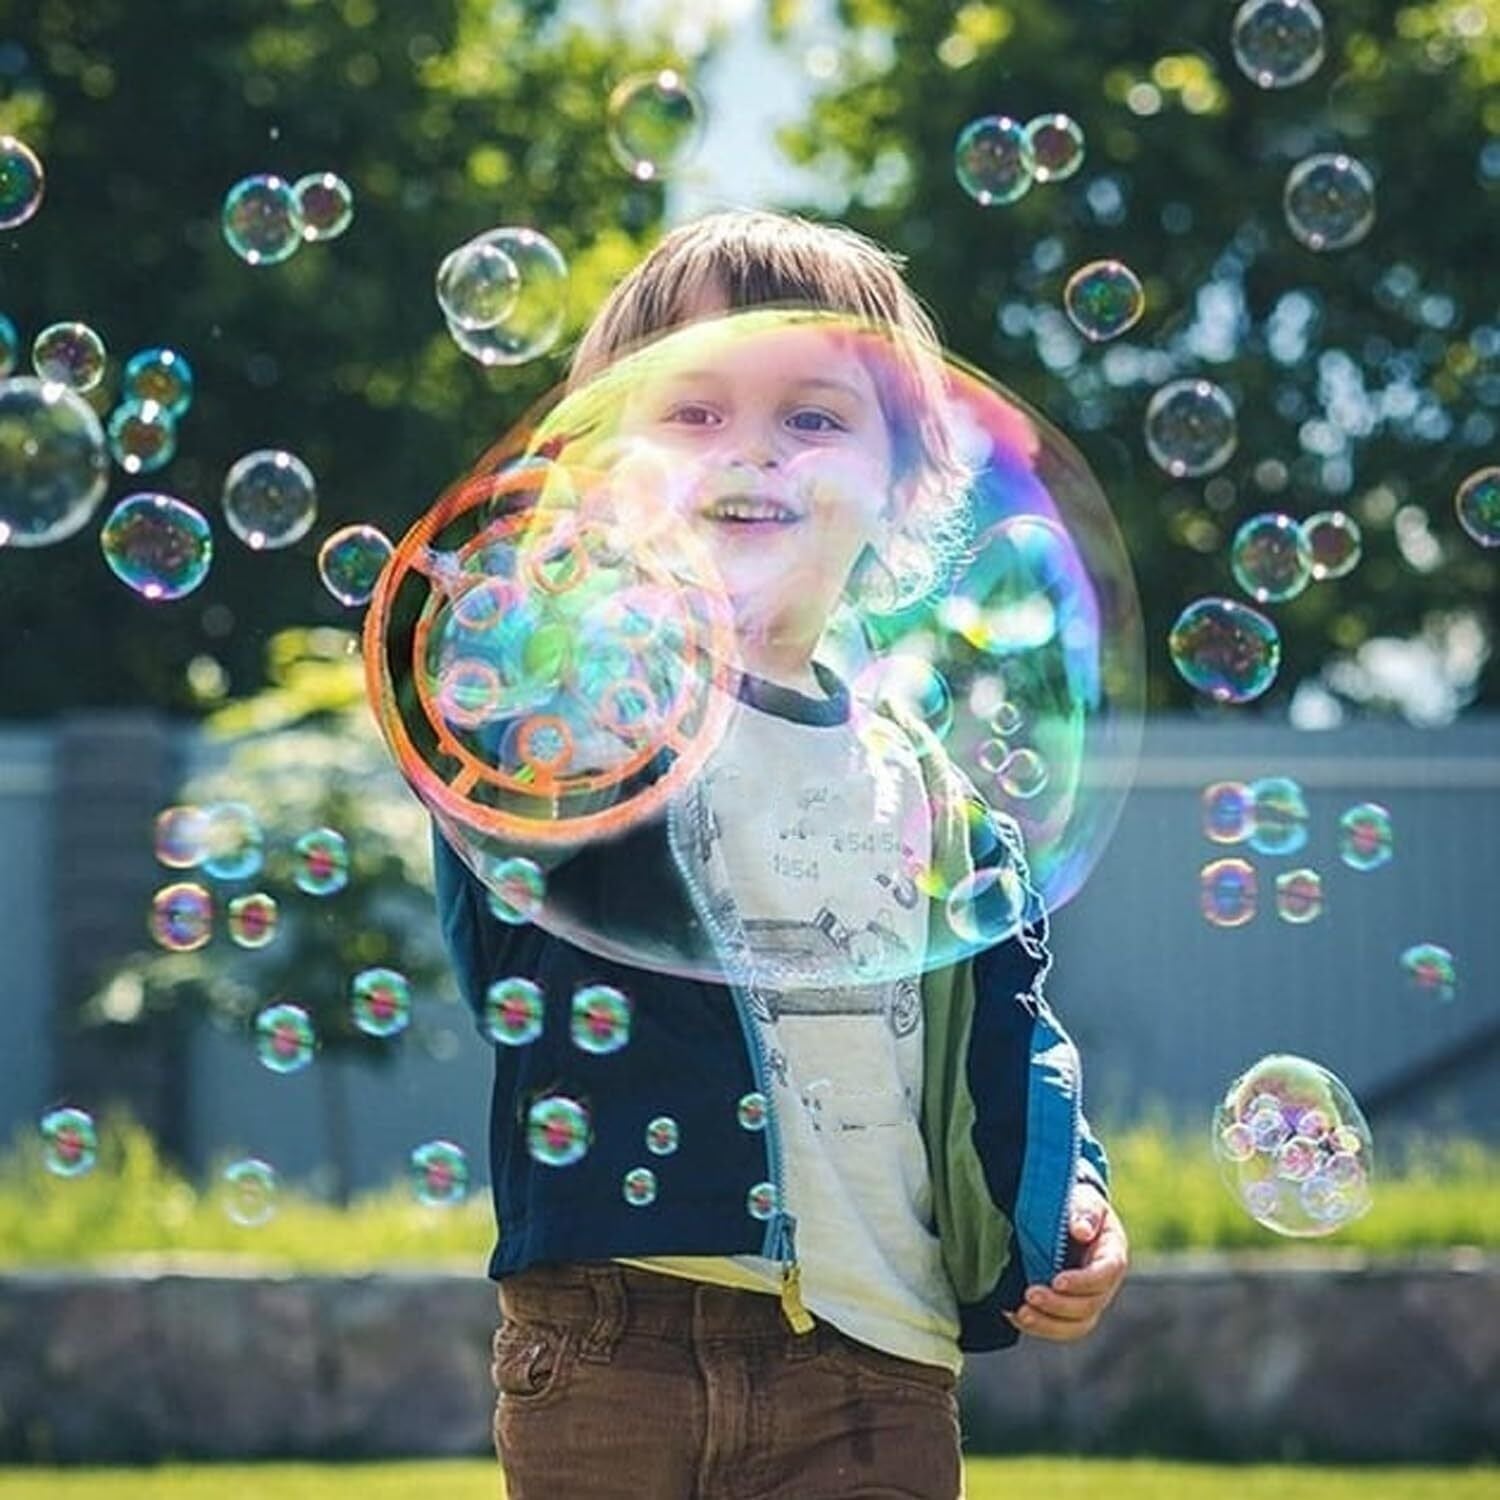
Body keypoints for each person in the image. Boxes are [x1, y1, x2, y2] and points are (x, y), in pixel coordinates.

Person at [430, 209, 1129, 1499]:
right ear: (604, 469)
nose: (752, 448)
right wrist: (543, 645)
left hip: (879, 1368)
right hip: (612, 1335)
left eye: (814, 417)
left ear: (904, 482)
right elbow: (506, 898)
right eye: (691, 414)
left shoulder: (932, 790)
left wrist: (1070, 1196)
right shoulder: (583, 725)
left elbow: (1010, 1030)